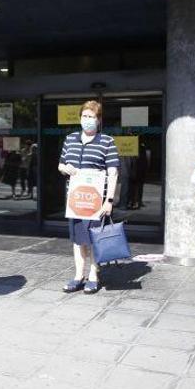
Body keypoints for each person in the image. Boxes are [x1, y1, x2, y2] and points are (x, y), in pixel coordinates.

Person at [58, 100, 119, 294]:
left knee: (94, 239)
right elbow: (60, 165)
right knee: (77, 240)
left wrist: (109, 201)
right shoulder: (70, 139)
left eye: (91, 117)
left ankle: (93, 275)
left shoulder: (107, 141)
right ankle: (78, 276)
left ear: (99, 120)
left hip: (96, 201)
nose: (87, 120)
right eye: (84, 116)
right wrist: (65, 168)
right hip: (76, 200)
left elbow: (113, 172)